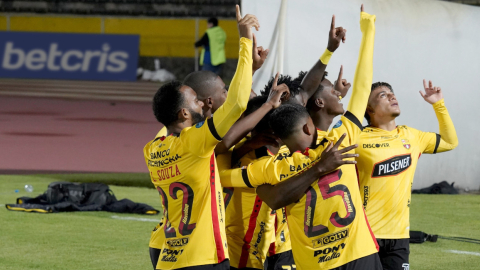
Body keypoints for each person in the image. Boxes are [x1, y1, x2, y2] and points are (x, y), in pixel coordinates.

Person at [221, 5, 382, 269]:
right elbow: (364, 83)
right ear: (308, 125)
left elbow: (223, 175)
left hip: (307, 259)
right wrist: (368, 29)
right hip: (357, 255)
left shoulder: (272, 167)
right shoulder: (341, 141)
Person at [143, 5, 258, 269]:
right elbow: (237, 103)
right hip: (203, 258)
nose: (203, 105)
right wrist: (244, 40)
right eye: (196, 101)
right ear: (184, 112)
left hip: (168, 256)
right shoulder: (196, 141)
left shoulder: (152, 148)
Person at [356, 80, 458, 269]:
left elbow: (450, 142)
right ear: (369, 108)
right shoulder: (357, 138)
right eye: (383, 95)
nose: (392, 96)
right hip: (364, 234)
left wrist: (438, 104)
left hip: (399, 236)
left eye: (392, 93)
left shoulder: (412, 136)